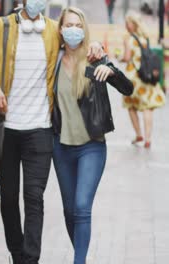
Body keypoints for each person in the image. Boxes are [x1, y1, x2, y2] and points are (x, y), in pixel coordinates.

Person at [0, 0, 105, 263]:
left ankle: (30, 259)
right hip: (5, 130)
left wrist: (96, 46)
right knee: (8, 199)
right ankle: (16, 254)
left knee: (34, 198)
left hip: (40, 131)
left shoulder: (53, 29)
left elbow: (78, 43)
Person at [52, 7, 134, 264]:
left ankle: (79, 261)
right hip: (60, 146)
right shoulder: (52, 60)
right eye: (69, 25)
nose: (73, 29)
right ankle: (82, 253)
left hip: (92, 146)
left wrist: (111, 70)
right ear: (61, 29)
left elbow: (128, 88)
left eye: (78, 25)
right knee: (68, 211)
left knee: (81, 207)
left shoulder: (94, 58)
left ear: (84, 29)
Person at [121, 11, 166, 149]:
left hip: (133, 78)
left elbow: (127, 58)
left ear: (132, 24)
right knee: (148, 108)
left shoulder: (129, 39)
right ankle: (148, 139)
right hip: (146, 76)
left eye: (127, 23)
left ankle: (138, 134)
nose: (126, 25)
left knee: (131, 106)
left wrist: (119, 57)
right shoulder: (145, 39)